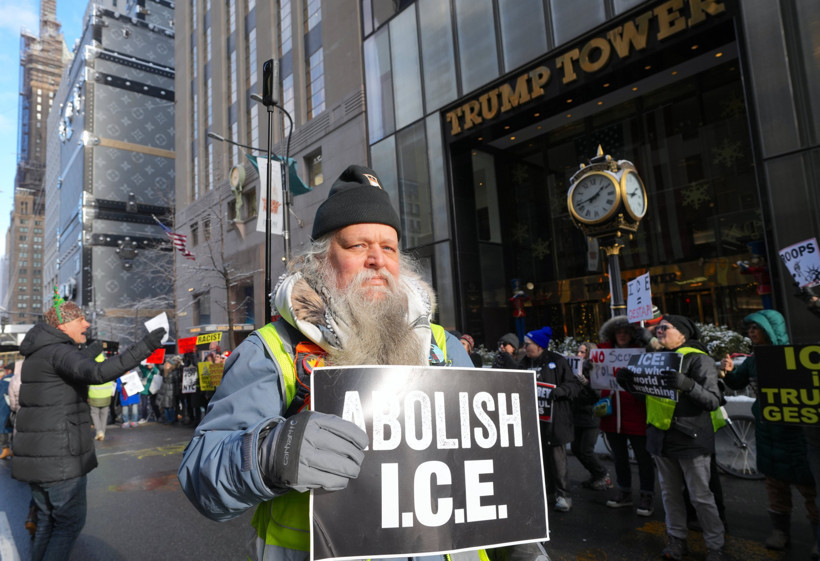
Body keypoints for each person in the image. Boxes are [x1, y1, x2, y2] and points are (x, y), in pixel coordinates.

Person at [178, 165, 549, 561]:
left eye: (389, 248)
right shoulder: (273, 350)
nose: (377, 260)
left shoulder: (444, 347)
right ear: (321, 260)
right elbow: (202, 476)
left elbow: (489, 467)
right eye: (357, 246)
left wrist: (520, 543)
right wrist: (271, 454)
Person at [12, 291, 165, 560]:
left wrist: (88, 351)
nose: (87, 323)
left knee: (47, 522)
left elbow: (73, 368)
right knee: (67, 525)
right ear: (63, 325)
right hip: (60, 458)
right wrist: (145, 346)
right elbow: (97, 372)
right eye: (80, 319)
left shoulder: (40, 352)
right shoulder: (59, 351)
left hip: (39, 456)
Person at [619, 315, 724, 561]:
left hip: (690, 438)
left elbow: (713, 400)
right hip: (661, 437)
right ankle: (677, 541)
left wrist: (688, 385)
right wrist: (630, 385)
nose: (659, 331)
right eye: (658, 328)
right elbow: (651, 397)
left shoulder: (699, 359)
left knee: (701, 497)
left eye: (665, 327)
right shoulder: (656, 359)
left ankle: (716, 547)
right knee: (670, 494)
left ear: (683, 334)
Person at [721, 310, 818, 550]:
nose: (751, 332)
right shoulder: (754, 360)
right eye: (750, 328)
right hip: (766, 431)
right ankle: (780, 532)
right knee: (775, 486)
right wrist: (729, 371)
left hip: (797, 433)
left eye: (756, 328)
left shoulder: (794, 357)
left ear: (770, 330)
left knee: (810, 488)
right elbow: (738, 382)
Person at [597, 316, 656, 517]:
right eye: (618, 332)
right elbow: (594, 377)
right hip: (612, 415)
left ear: (632, 334)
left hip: (637, 413)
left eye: (626, 332)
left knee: (643, 458)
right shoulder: (603, 352)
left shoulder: (642, 352)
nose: (622, 335)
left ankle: (647, 495)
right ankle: (624, 492)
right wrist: (588, 369)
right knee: (619, 458)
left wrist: (648, 340)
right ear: (612, 335)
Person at [518, 326, 582, 512]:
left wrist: (561, 391)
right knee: (540, 459)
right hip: (534, 420)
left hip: (555, 421)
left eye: (528, 344)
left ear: (539, 346)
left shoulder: (557, 361)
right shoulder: (524, 363)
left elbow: (574, 385)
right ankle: (548, 493)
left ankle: (564, 495)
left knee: (557, 460)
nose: (524, 347)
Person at [571, 342, 612, 491]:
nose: (579, 355)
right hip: (577, 414)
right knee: (576, 448)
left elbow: (599, 393)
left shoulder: (596, 369)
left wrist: (586, 383)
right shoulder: (575, 368)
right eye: (578, 351)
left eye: (583, 352)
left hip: (591, 415)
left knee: (586, 450)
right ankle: (596, 475)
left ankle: (603, 475)